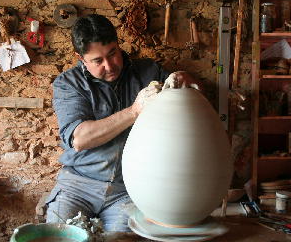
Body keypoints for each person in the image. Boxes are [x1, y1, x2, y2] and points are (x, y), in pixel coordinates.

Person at [45, 14, 200, 232]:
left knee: (124, 238)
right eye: (98, 61)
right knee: (57, 235)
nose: (109, 66)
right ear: (81, 58)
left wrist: (183, 77)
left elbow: (183, 86)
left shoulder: (147, 72)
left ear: (118, 45)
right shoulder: (68, 84)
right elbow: (80, 139)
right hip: (78, 184)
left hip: (128, 188)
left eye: (113, 53)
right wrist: (135, 110)